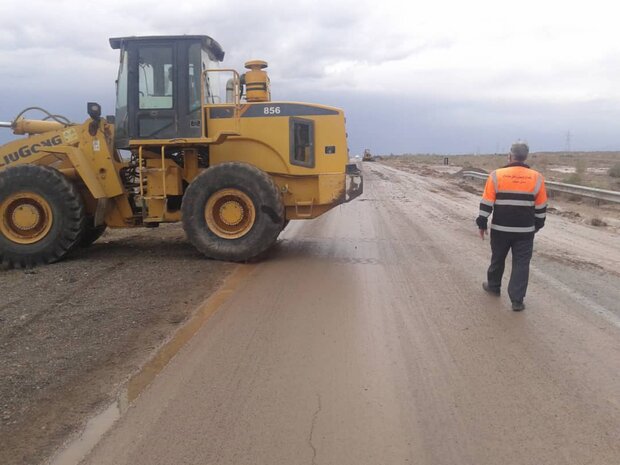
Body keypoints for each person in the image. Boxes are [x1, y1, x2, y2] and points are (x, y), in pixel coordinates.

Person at [476, 141, 547, 311]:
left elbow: (486, 202)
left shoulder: (496, 175)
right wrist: (537, 225)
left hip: (500, 229)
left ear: (510, 156)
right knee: (521, 264)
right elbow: (541, 207)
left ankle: (493, 286)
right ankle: (517, 301)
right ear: (526, 157)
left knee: (498, 258)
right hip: (525, 231)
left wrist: (482, 223)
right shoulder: (537, 177)